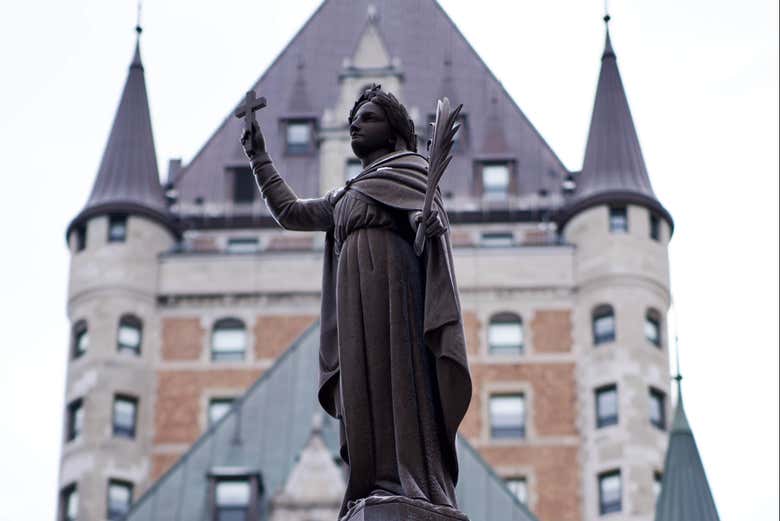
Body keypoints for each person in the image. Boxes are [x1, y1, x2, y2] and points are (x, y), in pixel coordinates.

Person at [240, 84, 471, 518]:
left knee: (398, 384)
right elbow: (291, 213)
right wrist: (259, 158)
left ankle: (413, 482)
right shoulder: (346, 195)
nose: (356, 126)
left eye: (368, 118)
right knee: (364, 391)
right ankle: (378, 480)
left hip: (394, 297)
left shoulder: (411, 171)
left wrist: (429, 220)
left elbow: (428, 215)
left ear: (394, 130)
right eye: (353, 121)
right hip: (355, 308)